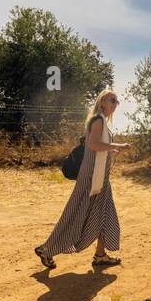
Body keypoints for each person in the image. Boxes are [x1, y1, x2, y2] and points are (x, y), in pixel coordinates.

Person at [34, 90, 128, 270]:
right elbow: (93, 145)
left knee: (105, 215)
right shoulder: (98, 120)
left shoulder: (101, 121)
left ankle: (100, 255)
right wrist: (118, 146)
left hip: (100, 178)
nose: (115, 104)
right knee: (77, 215)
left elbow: (96, 148)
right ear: (102, 102)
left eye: (117, 102)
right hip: (92, 178)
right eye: (112, 100)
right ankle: (47, 248)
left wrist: (110, 151)